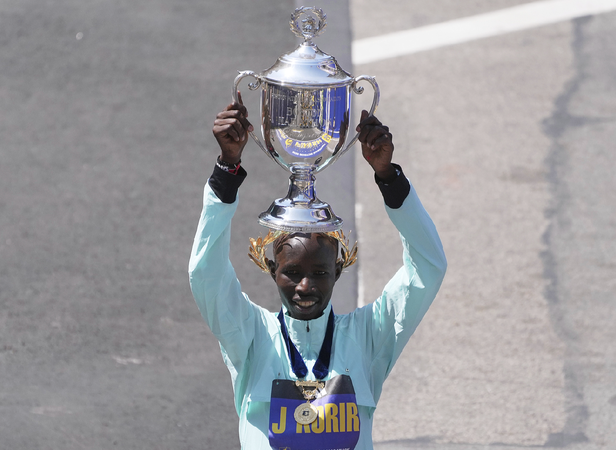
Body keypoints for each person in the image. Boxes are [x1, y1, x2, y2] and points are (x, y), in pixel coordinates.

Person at [189, 94, 447, 450]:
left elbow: (428, 267)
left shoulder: (369, 336)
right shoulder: (251, 337)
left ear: (339, 270)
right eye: (292, 272)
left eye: (320, 273)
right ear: (271, 268)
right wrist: (226, 171)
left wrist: (389, 177)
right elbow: (207, 272)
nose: (305, 286)